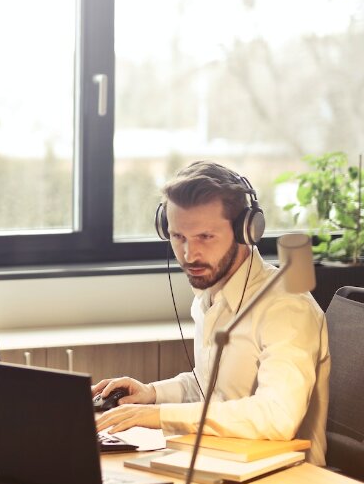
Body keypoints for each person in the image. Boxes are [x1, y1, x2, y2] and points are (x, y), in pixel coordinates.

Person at [94, 161, 329, 465]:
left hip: (286, 481)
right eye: (178, 237)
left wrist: (159, 415)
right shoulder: (210, 295)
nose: (190, 255)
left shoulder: (286, 307)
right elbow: (211, 388)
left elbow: (277, 416)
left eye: (205, 237)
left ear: (246, 230)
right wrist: (151, 394)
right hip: (222, 461)